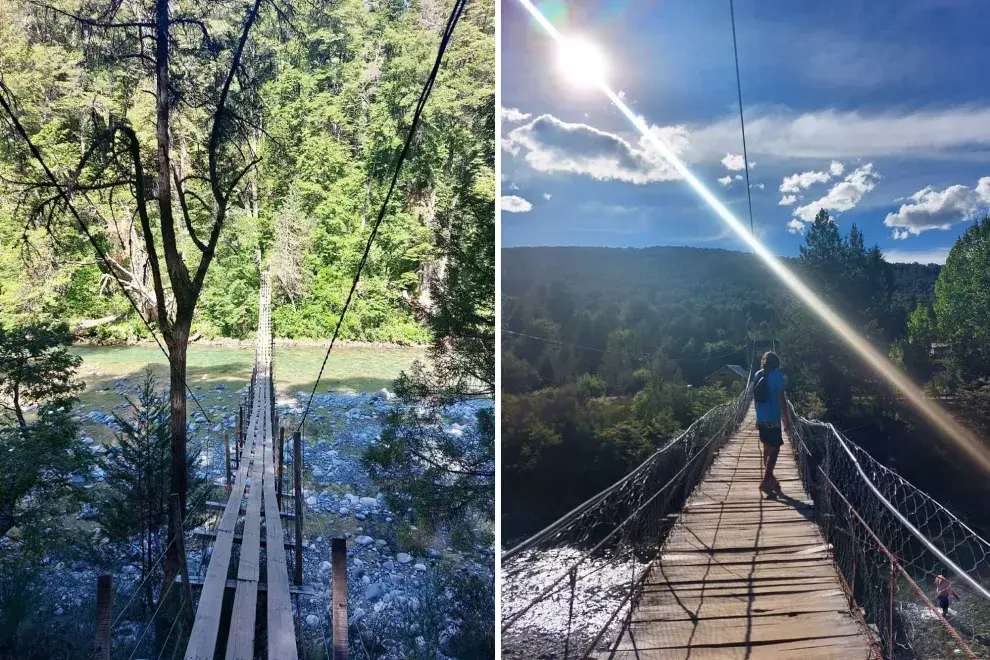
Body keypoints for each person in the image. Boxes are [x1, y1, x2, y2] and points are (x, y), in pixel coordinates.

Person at [753, 351, 790, 496]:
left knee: (767, 447)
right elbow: (782, 399)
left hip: (761, 417)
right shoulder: (777, 375)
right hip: (773, 417)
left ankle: (772, 481)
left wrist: (757, 417)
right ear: (776, 363)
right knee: (775, 448)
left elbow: (755, 399)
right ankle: (765, 481)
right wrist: (786, 419)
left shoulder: (757, 374)